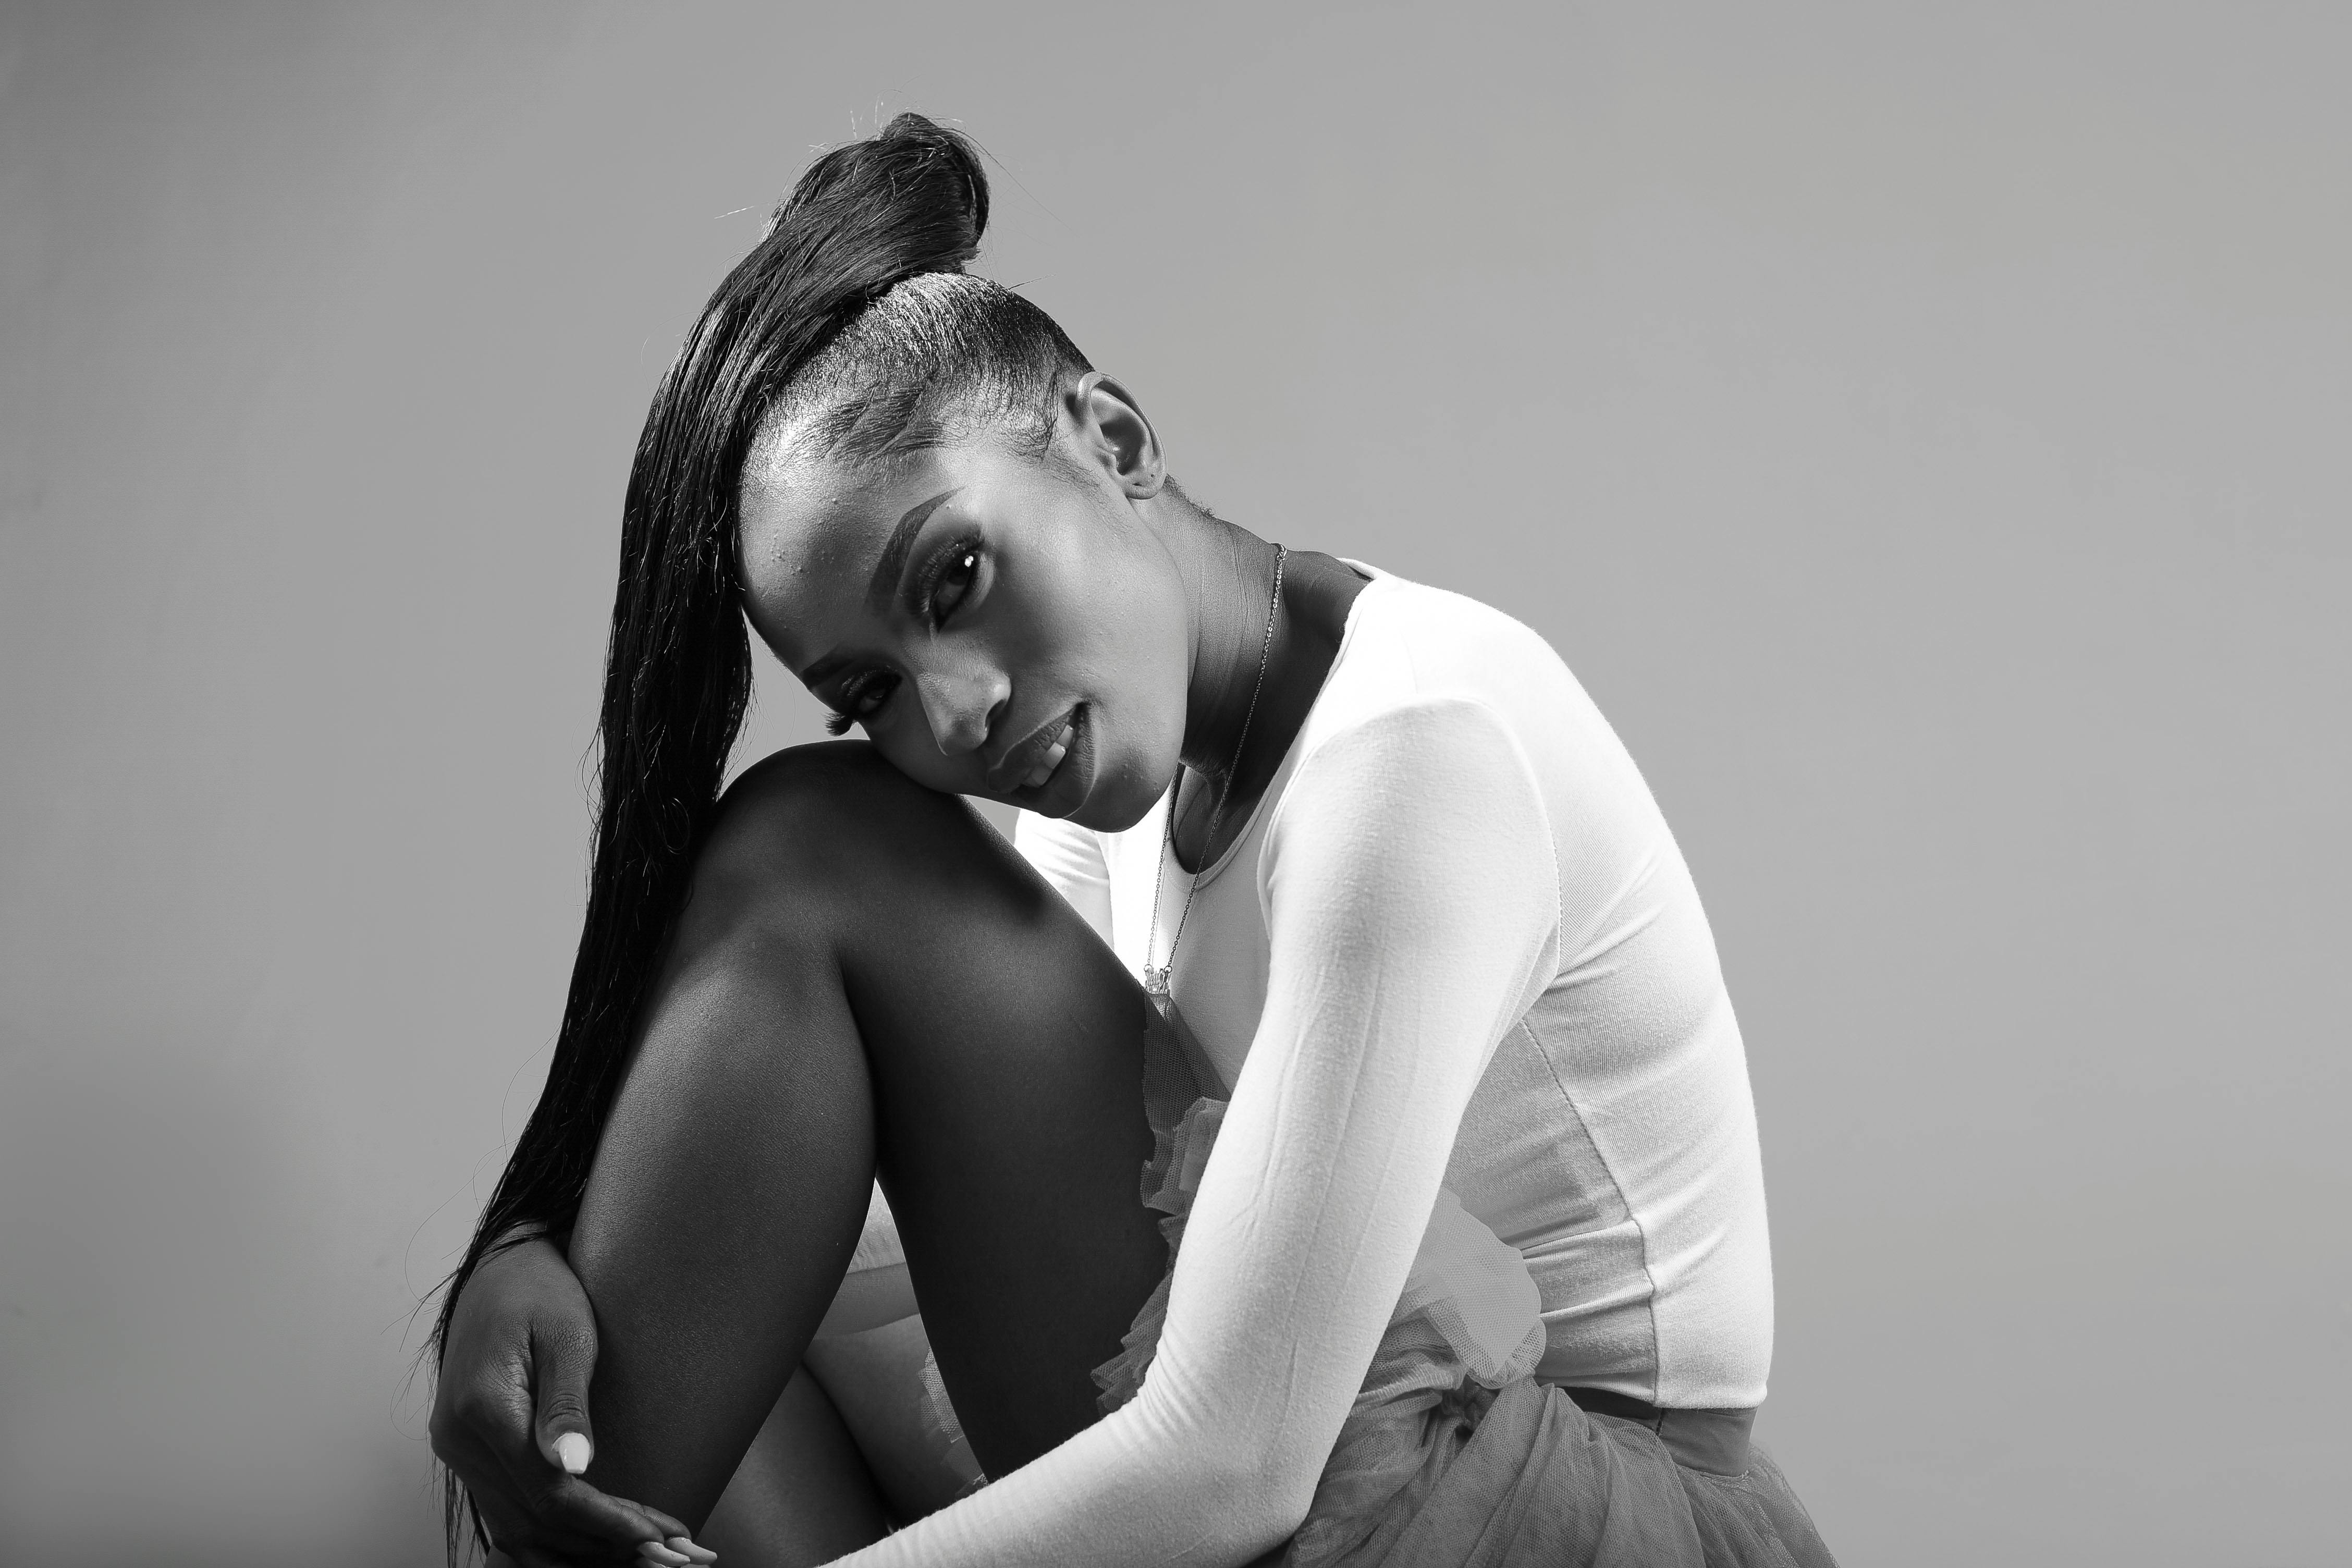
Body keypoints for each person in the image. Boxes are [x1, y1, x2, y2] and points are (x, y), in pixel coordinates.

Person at [427, 114, 1838, 1568]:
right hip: (1318, 1451)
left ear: (1116, 441)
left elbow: (1232, 1462)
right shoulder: (1107, 773)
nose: (954, 716)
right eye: (871, 694)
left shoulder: (1417, 757)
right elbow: (811, 1206)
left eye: (957, 577)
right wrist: (532, 1251)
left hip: (1562, 1518)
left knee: (809, 849)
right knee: (722, 1317)